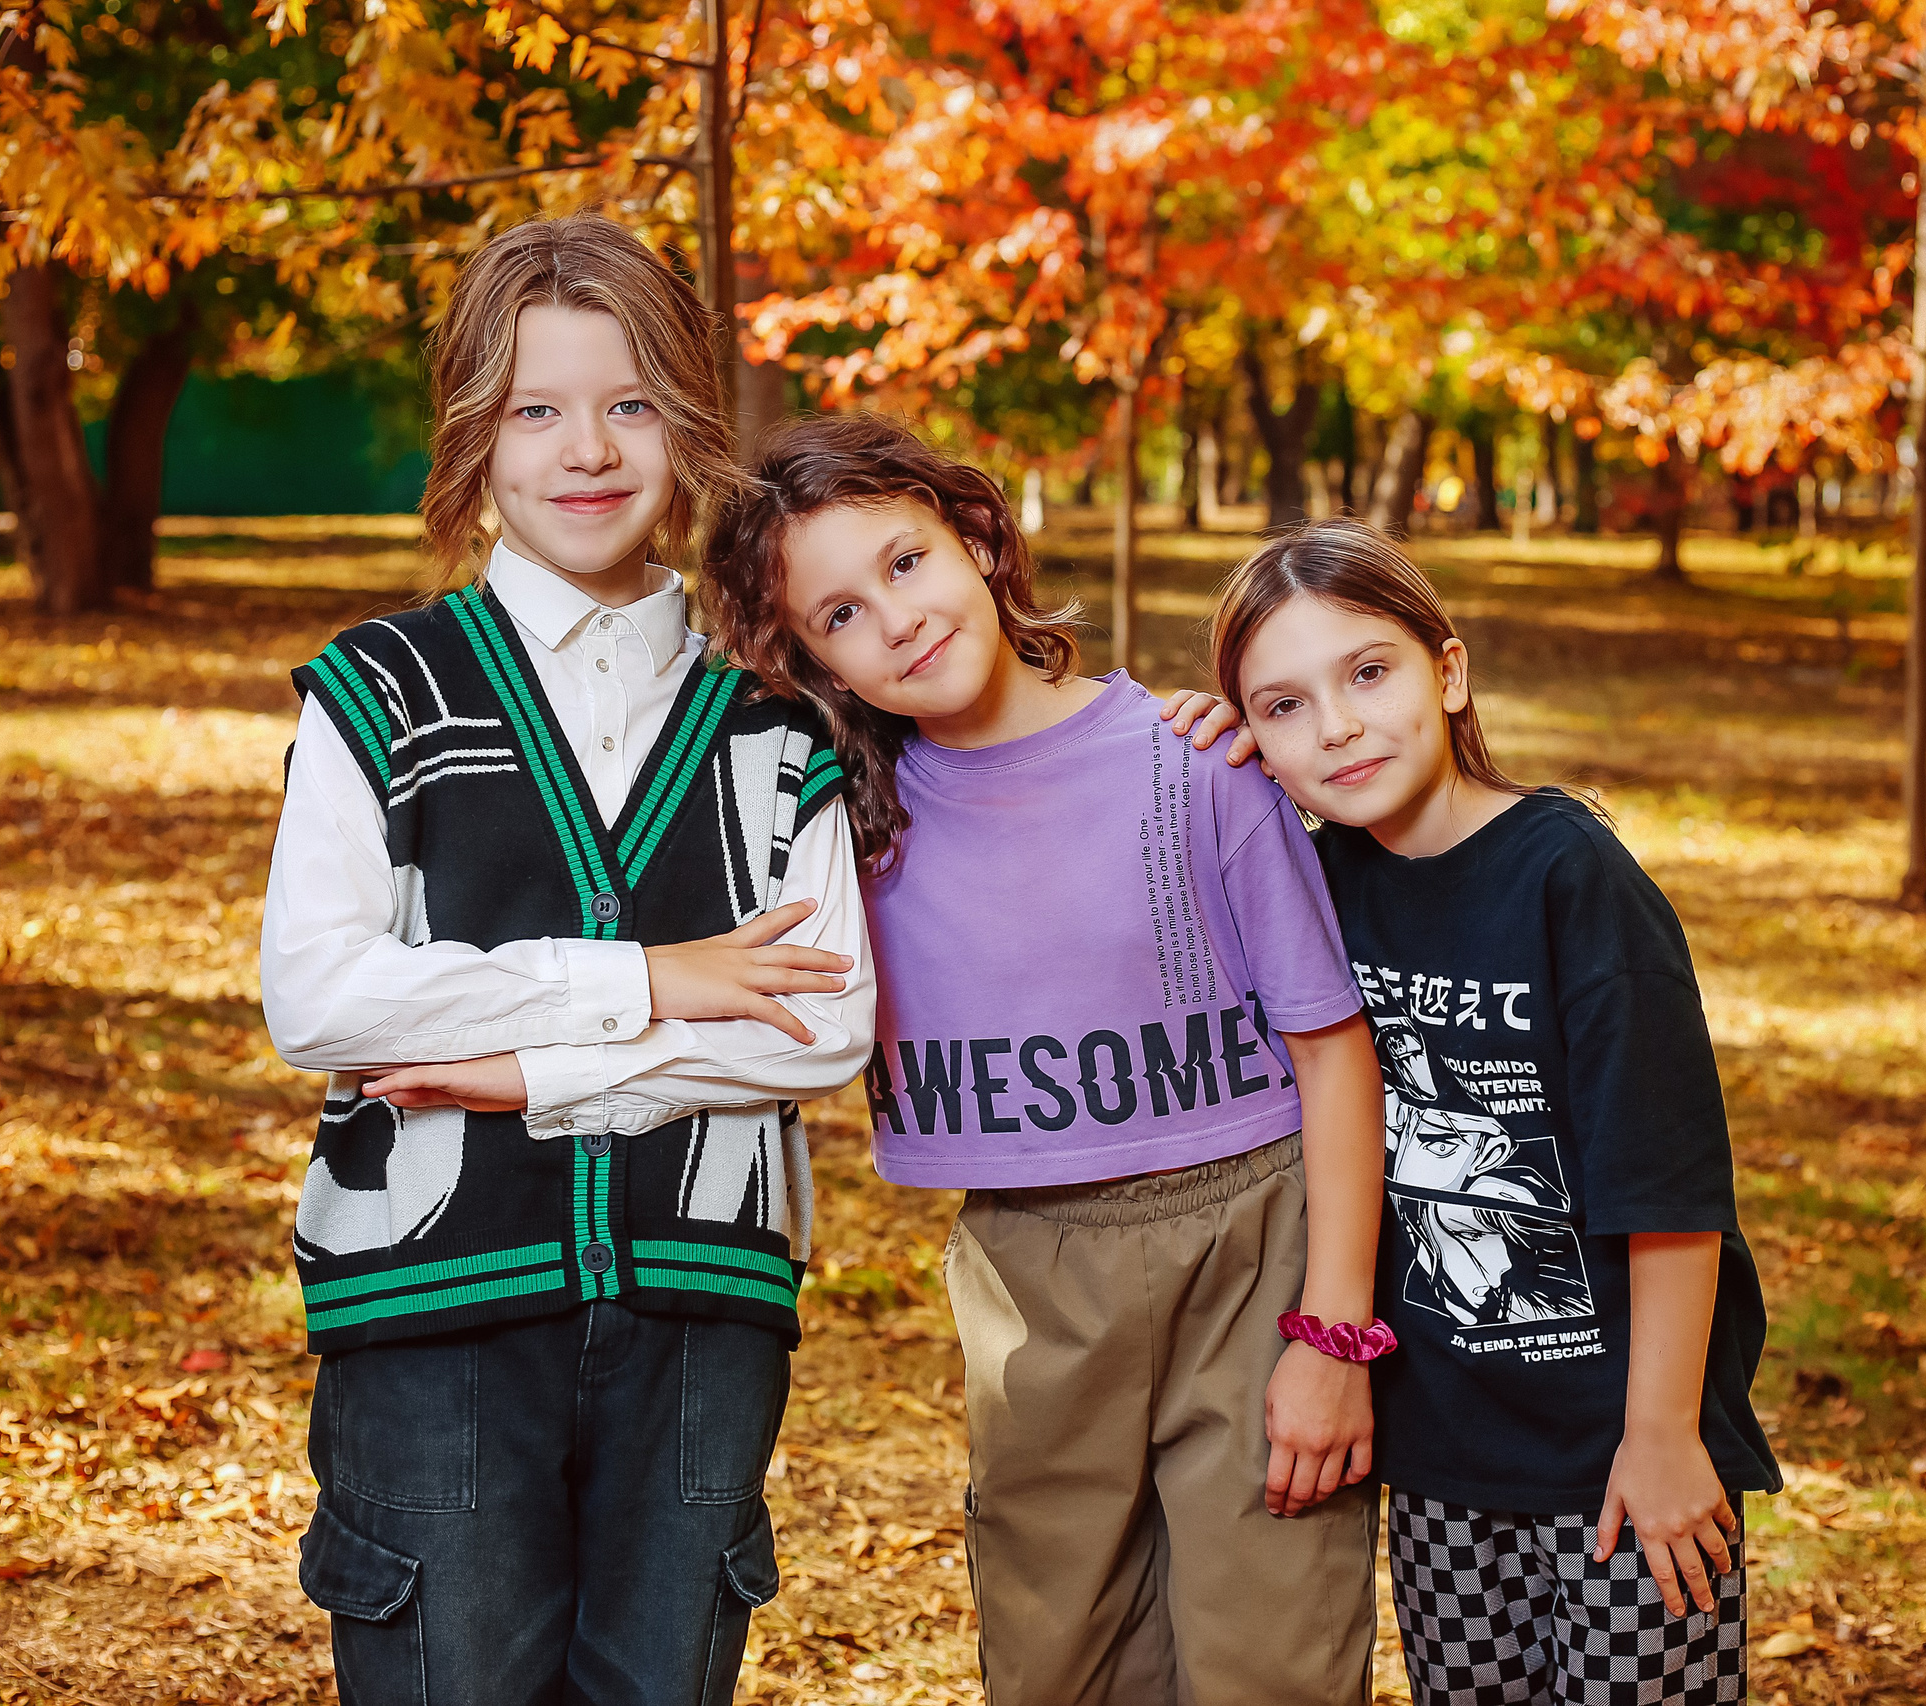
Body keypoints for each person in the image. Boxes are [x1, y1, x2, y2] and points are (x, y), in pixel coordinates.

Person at [258, 213, 875, 1706]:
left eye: (630, 402)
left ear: (689, 422)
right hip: (432, 1304)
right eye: (536, 408)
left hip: (702, 1309)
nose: (586, 448)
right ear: (477, 436)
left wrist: (522, 1063)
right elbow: (323, 994)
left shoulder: (777, 728)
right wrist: (653, 979)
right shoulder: (381, 690)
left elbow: (822, 1029)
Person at [697, 414, 1390, 1706]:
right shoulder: (841, 832)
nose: (894, 620)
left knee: (1271, 1655)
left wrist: (1335, 1334)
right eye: (839, 614)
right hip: (1028, 1270)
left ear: (976, 536)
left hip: (1255, 1249)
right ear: (806, 660)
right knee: (1055, 1658)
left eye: (905, 563)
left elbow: (1335, 1051)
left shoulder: (1196, 764)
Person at [1204, 518, 1782, 1706]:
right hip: (1441, 1456)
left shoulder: (1571, 878)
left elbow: (1669, 1188)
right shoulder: (1316, 886)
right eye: (1282, 705)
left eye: (1368, 672)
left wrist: (1666, 1430)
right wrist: (1184, 759)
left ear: (1448, 669)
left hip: (1621, 1444)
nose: (1338, 725)